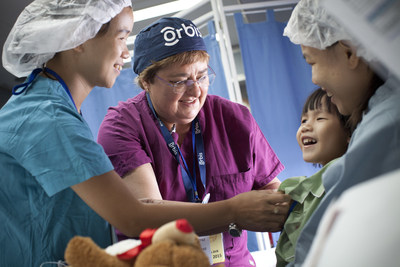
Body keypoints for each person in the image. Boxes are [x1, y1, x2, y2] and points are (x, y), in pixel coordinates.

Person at [0, 2, 290, 266]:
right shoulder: (51, 117)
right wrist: (234, 211)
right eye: (121, 36)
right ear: (80, 37)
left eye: (201, 76)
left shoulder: (50, 107)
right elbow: (134, 217)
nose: (126, 53)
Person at [97, 17, 288, 267]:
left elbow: (269, 187)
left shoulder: (234, 118)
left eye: (202, 76)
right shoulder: (122, 127)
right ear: (146, 81)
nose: (196, 90)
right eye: (179, 81)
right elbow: (147, 215)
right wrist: (235, 212)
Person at [281, 0, 400, 266]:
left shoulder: (387, 126)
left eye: (312, 61)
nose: (314, 79)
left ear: (349, 53)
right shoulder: (378, 116)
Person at [275, 88, 351, 266]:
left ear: (349, 131)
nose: (305, 127)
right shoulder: (313, 188)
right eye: (303, 120)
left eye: (320, 118)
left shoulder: (341, 177)